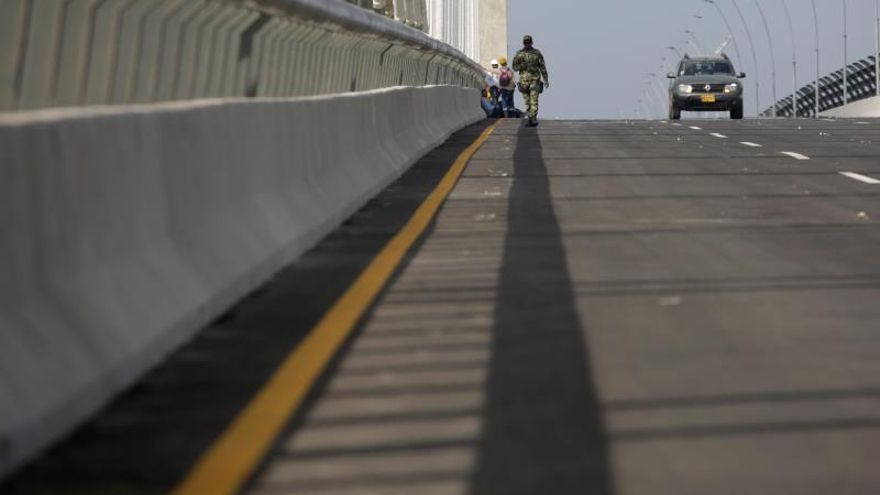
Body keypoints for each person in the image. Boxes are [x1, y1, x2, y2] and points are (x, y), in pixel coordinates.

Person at [512, 35, 549, 126]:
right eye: (526, 42)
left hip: (535, 81)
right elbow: (514, 67)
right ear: (523, 43)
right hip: (524, 82)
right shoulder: (519, 54)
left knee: (534, 101)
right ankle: (530, 117)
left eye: (528, 42)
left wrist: (545, 79)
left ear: (532, 42)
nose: (527, 44)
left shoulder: (537, 53)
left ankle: (533, 119)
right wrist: (521, 66)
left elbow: (542, 67)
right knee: (527, 102)